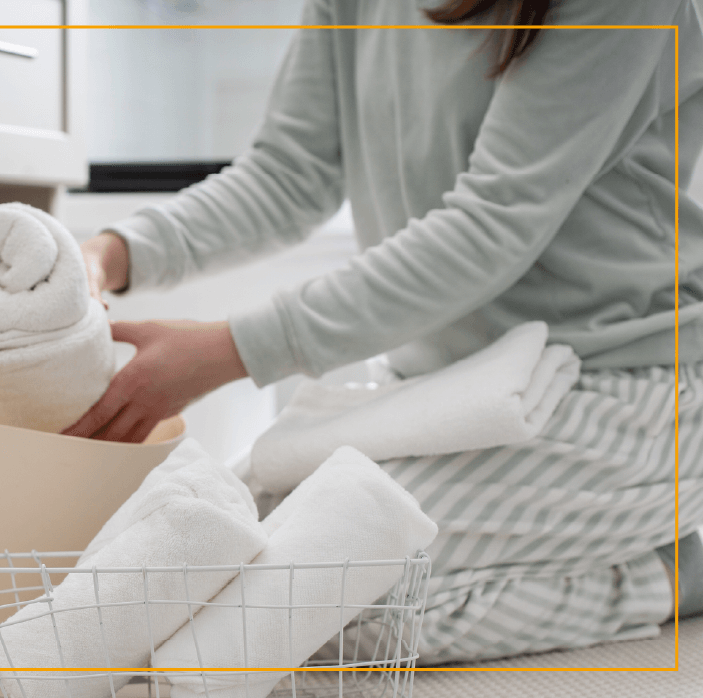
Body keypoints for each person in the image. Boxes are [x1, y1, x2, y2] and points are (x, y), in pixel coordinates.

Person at [64, 0, 703, 664]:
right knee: (197, 554)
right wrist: (112, 254)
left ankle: (663, 574)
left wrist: (229, 350)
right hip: (442, 398)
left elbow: (491, 224)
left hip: (620, 393)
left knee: (299, 616)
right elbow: (288, 173)